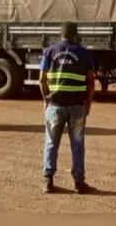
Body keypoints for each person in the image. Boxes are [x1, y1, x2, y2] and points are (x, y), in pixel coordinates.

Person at [39, 21, 95, 194]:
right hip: (77, 107)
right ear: (75, 35)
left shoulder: (48, 52)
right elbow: (91, 81)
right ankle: (79, 182)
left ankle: (48, 180)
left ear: (60, 34)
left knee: (51, 143)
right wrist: (88, 103)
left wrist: (45, 101)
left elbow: (42, 80)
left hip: (55, 106)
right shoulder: (84, 54)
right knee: (77, 145)